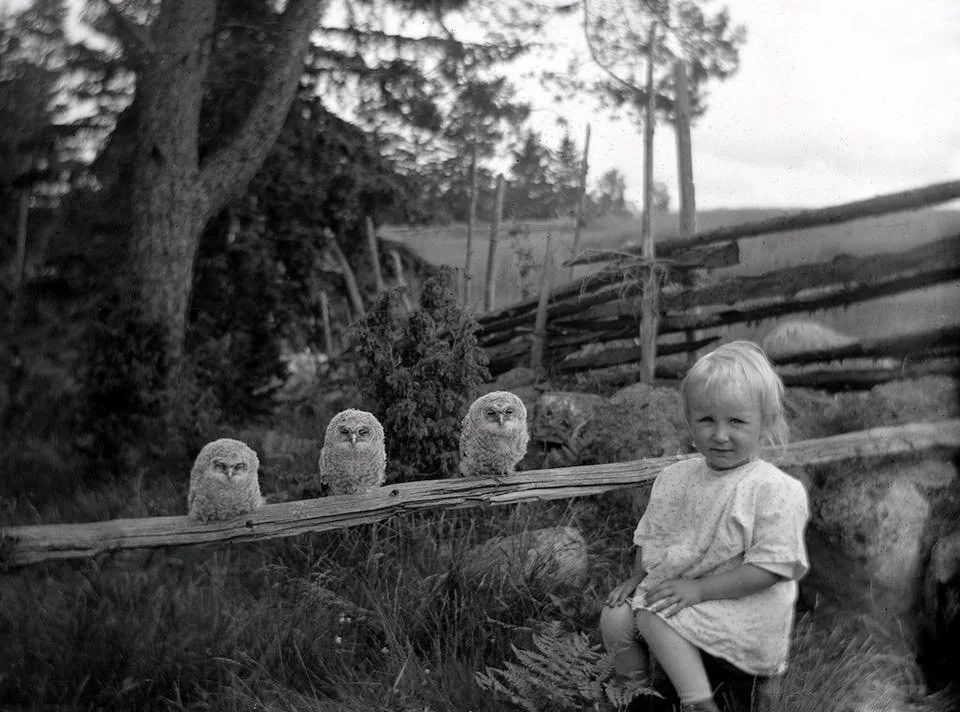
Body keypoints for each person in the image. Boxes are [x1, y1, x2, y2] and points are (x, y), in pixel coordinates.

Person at [600, 340, 810, 712]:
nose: (720, 434)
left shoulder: (774, 489)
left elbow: (773, 568)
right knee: (615, 617)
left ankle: (698, 703)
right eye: (706, 420)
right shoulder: (675, 477)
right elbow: (652, 535)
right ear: (689, 421)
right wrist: (637, 578)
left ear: (766, 423)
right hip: (689, 598)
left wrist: (698, 591)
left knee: (651, 611)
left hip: (744, 610)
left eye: (737, 421)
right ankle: (638, 698)